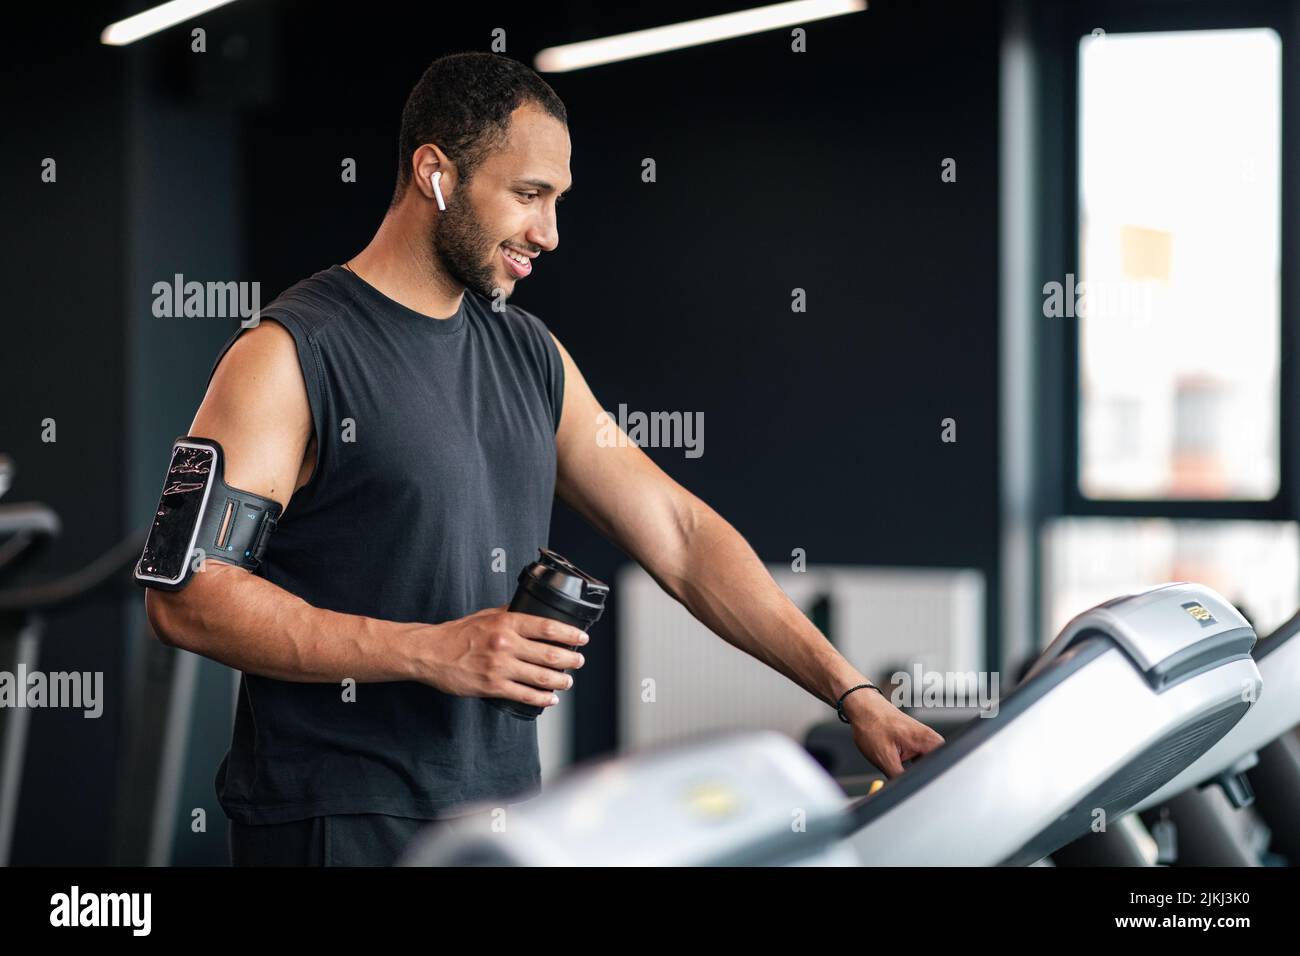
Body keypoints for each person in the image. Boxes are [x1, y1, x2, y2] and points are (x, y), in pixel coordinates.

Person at [144, 51, 944, 867]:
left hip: (503, 817)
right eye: (528, 196)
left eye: (556, 201)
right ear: (435, 174)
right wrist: (432, 649)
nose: (548, 233)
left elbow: (679, 532)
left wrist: (854, 696)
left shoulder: (528, 353)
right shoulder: (292, 351)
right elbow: (187, 597)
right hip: (342, 819)